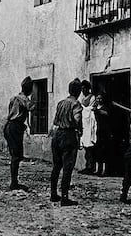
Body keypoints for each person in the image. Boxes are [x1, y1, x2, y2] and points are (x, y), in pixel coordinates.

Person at [50, 78, 83, 206]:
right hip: (68, 135)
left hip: (57, 134)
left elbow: (55, 121)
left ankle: (53, 194)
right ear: (79, 92)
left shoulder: (60, 103)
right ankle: (64, 197)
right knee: (67, 168)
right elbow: (77, 119)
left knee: (56, 166)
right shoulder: (76, 104)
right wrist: (78, 128)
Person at [4, 76, 35, 191]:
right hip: (15, 127)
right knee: (17, 156)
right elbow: (31, 107)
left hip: (9, 125)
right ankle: (14, 183)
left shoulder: (13, 98)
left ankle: (14, 181)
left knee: (15, 155)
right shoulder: (24, 98)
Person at [78, 80, 97, 175]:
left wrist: (84, 109)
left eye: (84, 88)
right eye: (82, 89)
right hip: (84, 124)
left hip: (90, 122)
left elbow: (91, 109)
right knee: (85, 145)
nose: (83, 90)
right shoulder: (83, 98)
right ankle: (87, 165)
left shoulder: (92, 97)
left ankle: (91, 166)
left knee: (90, 147)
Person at [93, 93, 111, 176]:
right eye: (97, 98)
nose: (99, 100)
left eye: (100, 98)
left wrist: (97, 110)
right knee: (97, 150)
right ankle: (97, 169)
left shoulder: (105, 108)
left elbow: (106, 113)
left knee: (104, 150)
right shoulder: (95, 107)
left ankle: (104, 170)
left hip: (104, 131)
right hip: (97, 131)